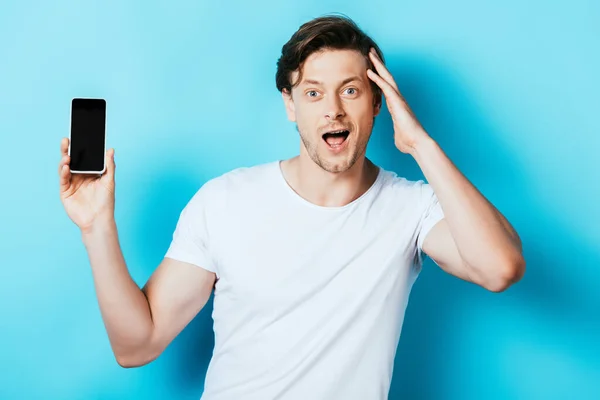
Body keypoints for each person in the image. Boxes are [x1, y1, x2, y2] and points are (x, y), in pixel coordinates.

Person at [57, 14, 525, 400]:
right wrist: (97, 227)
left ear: (378, 103)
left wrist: (420, 143)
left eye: (351, 90)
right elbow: (136, 345)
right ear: (290, 104)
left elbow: (499, 268)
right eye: (314, 92)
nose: (333, 111)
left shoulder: (412, 208)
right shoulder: (225, 201)